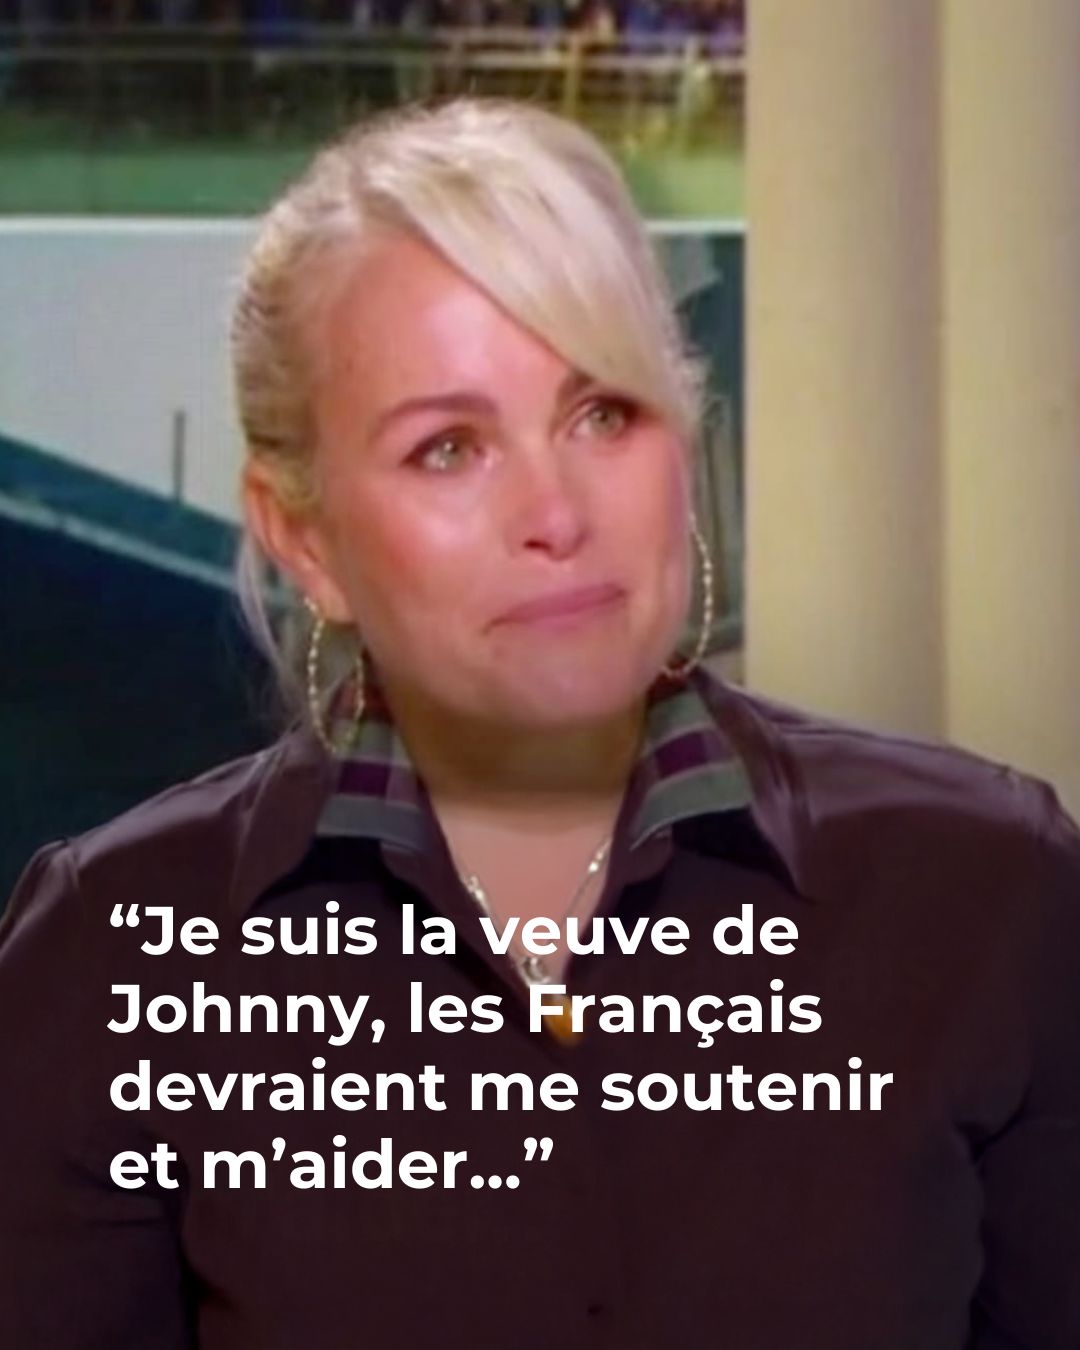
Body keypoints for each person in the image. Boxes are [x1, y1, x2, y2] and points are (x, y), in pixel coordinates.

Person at [1, 95, 1078, 1350]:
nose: (557, 513)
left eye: (602, 414)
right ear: (303, 536)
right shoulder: (108, 956)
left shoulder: (990, 890)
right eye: (449, 448)